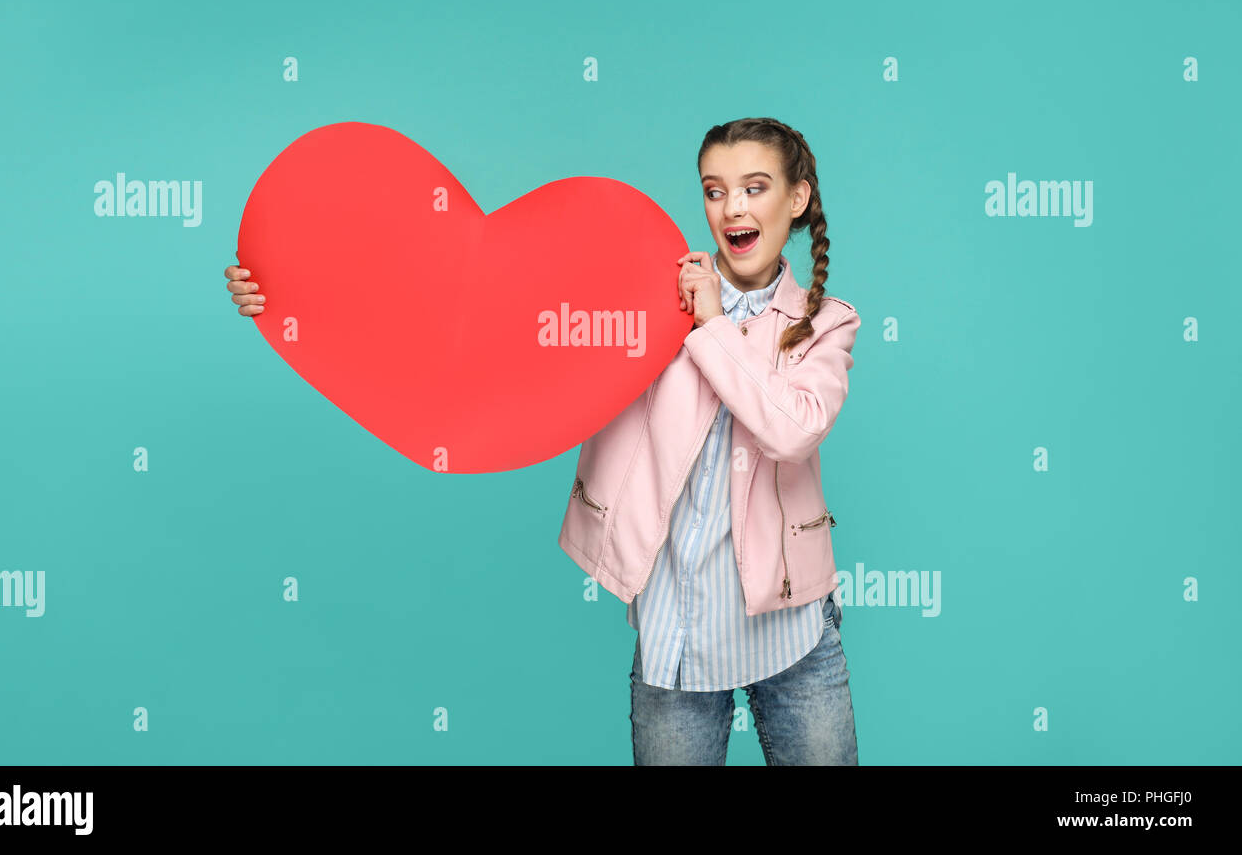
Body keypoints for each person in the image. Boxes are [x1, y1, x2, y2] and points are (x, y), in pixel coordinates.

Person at [224, 115, 861, 766]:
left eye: (755, 188)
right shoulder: (646, 293)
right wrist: (292, 291)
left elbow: (790, 428)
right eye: (714, 190)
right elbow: (477, 330)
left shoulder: (824, 325)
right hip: (677, 636)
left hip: (792, 635)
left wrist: (710, 326)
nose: (732, 209)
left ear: (798, 198)